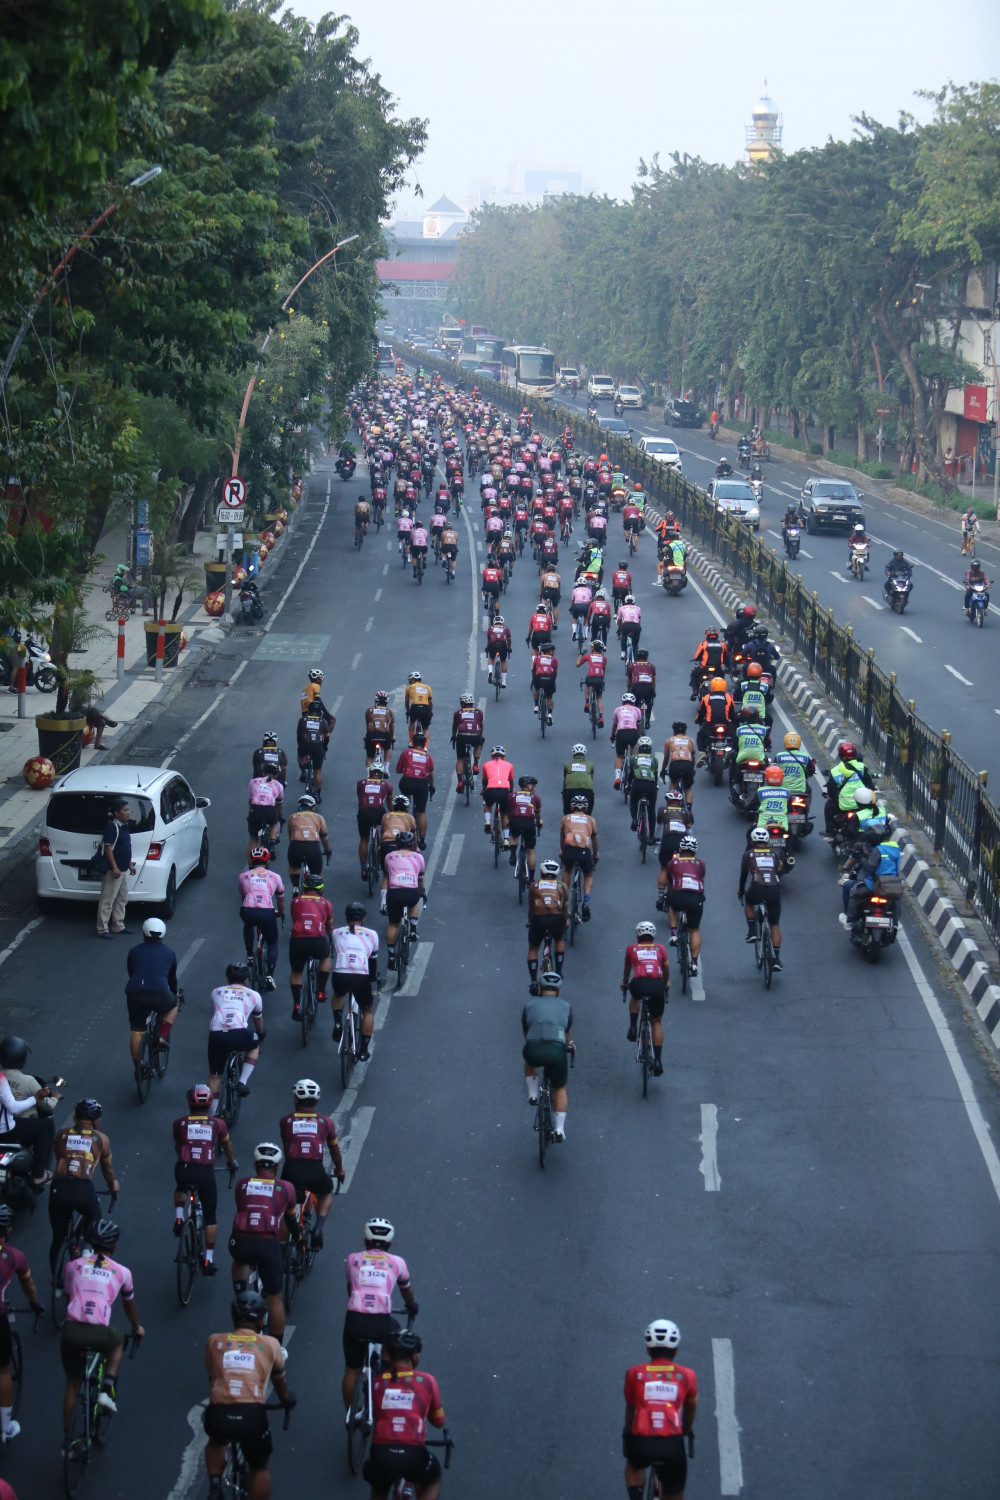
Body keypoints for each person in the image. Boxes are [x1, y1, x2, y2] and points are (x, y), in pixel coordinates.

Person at [203, 1290, 293, 1500]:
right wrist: (286, 1399)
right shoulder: (270, 1344)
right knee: (260, 1467)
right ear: (262, 1321)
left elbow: (213, 1376)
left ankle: (215, 1485)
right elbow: (280, 1381)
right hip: (252, 1416)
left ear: (232, 1317)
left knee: (216, 1441)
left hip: (219, 1412)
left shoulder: (214, 1341)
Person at [61, 1219, 143, 1436]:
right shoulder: (122, 1272)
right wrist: (137, 1328)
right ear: (113, 1246)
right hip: (99, 1331)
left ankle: (67, 1439)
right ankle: (106, 1389)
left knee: (72, 1383)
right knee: (118, 1341)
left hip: (71, 1330)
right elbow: (129, 1306)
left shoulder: (72, 1266)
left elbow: (69, 1295)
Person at [342, 1216, 418, 1410]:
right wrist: (411, 1305)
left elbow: (351, 1288)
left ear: (365, 1241)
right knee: (395, 1334)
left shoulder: (352, 1259)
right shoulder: (397, 1262)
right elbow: (406, 1291)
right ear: (390, 1244)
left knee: (352, 1370)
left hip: (355, 1319)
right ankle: (385, 1373)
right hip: (381, 1322)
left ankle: (350, 1414)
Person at [365, 1328, 446, 1500]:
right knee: (433, 1478)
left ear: (387, 1356)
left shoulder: (377, 1383)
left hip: (381, 1454)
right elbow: (439, 1421)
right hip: (414, 1455)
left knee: (379, 1488)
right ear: (415, 1357)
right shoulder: (427, 1381)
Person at [229, 1143, 298, 1343]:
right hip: (267, 1244)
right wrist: (299, 1236)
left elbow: (244, 1208)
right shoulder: (286, 1188)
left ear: (255, 1165)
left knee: (240, 1260)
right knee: (275, 1299)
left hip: (240, 1241)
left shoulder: (242, 1184)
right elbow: (290, 1220)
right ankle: (277, 1347)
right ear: (277, 1167)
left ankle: (241, 1294)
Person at [623, 1319, 697, 1500]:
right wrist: (686, 1429)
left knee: (634, 1466)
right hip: (672, 1445)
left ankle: (636, 1495)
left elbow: (630, 1409)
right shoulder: (688, 1375)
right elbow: (690, 1410)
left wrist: (628, 1431)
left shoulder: (634, 1373)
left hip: (641, 1442)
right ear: (675, 1350)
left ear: (648, 1349)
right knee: (675, 1492)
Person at [49, 1098, 118, 1275]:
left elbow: (59, 1156)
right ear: (96, 1121)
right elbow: (107, 1168)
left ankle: (56, 1281)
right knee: (94, 1218)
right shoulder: (102, 1139)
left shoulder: (62, 1134)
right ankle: (87, 1253)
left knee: (58, 1238)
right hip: (82, 1188)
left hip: (59, 1187)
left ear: (75, 1118)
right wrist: (112, 1185)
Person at [173, 1084, 235, 1275]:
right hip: (205, 1172)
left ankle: (179, 1218)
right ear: (209, 1104)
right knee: (210, 1216)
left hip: (185, 1169)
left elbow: (178, 1145)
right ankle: (208, 1259)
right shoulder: (218, 1124)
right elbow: (226, 1145)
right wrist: (231, 1162)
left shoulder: (179, 1123)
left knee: (181, 1186)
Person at [278, 1080, 344, 1248]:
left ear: (296, 1099)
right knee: (326, 1191)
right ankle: (318, 1229)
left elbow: (287, 1146)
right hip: (315, 1170)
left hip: (292, 1169)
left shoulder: (285, 1121)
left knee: (286, 1211)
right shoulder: (326, 1122)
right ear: (316, 1102)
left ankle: (283, 1248)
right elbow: (334, 1150)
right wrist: (339, 1169)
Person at [0, 1204, 43, 1442]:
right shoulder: (14, 1256)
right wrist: (35, 1304)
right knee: (3, 1370)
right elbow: (29, 1285)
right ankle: (6, 1427)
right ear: (6, 1230)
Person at [521, 972, 574, 1141]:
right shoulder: (566, 1007)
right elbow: (566, 1032)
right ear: (558, 991)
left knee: (530, 1061)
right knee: (559, 1088)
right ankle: (559, 1129)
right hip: (556, 1050)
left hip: (534, 1047)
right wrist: (569, 1045)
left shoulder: (529, 1005)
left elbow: (526, 1029)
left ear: (540, 989)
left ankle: (533, 1094)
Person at [0, 1037, 57, 1189]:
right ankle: (38, 1174)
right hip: (8, 1128)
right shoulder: (28, 1081)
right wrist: (37, 1098)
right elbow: (14, 1107)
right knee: (46, 1126)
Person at [207, 963, 264, 1110]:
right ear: (246, 980)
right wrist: (260, 1032)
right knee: (255, 1044)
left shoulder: (216, 992)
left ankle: (213, 1115)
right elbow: (258, 1019)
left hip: (217, 1034)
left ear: (227, 979)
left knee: (215, 1076)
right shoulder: (254, 995)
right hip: (239, 1033)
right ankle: (242, 1082)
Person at [125, 917, 180, 1066]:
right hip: (160, 993)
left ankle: (138, 1068)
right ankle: (161, 1035)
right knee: (173, 1006)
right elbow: (172, 978)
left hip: (135, 992)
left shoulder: (134, 951)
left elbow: (132, 972)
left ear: (144, 932)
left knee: (137, 1031)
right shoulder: (169, 952)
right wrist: (174, 994)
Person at [331, 902, 380, 1058]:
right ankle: (363, 1050)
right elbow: (373, 960)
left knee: (339, 994)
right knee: (368, 1011)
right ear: (363, 919)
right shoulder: (372, 935)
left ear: (346, 918)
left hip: (341, 973)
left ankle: (337, 1022)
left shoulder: (336, 932)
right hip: (360, 975)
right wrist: (372, 978)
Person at [288, 871, 333, 1021]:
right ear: (321, 889)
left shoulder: (295, 901)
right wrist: (331, 938)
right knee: (326, 955)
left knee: (296, 971)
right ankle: (321, 990)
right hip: (317, 940)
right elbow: (328, 925)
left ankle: (296, 1004)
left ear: (304, 887)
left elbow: (295, 919)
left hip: (298, 940)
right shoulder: (326, 904)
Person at [237, 848, 284, 989]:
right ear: (268, 861)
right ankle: (269, 975)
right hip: (267, 911)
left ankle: (250, 955)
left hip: (248, 910)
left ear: (251, 861)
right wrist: (280, 912)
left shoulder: (243, 876)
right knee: (273, 941)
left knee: (248, 924)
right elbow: (280, 899)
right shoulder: (275, 877)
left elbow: (243, 895)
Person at [739, 826, 783, 968]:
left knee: (749, 901)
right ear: (767, 841)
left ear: (752, 841)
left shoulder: (748, 854)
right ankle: (776, 959)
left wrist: (741, 891)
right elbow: (778, 871)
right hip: (774, 890)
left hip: (757, 888)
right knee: (774, 924)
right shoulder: (774, 854)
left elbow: (743, 875)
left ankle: (752, 931)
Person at [663, 835, 705, 974]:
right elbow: (701, 880)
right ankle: (694, 963)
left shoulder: (672, 862)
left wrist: (669, 895)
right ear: (695, 851)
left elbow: (670, 882)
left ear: (680, 849)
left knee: (672, 905)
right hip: (696, 897)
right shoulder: (701, 863)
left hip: (678, 894)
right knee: (694, 930)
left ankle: (674, 933)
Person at [384, 830, 425, 967]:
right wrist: (422, 892)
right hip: (411, 891)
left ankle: (391, 955)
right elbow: (420, 879)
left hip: (395, 892)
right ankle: (413, 929)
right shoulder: (419, 857)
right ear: (412, 844)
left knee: (393, 924)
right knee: (415, 901)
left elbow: (388, 874)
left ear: (397, 844)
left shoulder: (389, 856)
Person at [96, 797, 135, 939]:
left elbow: (126, 848)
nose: (128, 813)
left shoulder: (125, 827)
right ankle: (102, 929)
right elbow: (108, 849)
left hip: (123, 870)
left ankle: (118, 925)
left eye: (128, 810)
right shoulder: (112, 827)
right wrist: (115, 868)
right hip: (114, 871)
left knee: (122, 899)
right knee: (107, 900)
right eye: (125, 810)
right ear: (117, 813)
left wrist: (129, 865)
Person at [560, 794, 599, 919]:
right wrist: (595, 854)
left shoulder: (566, 818)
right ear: (586, 808)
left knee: (567, 870)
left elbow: (562, 838)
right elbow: (595, 839)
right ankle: (586, 902)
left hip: (570, 850)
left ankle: (563, 898)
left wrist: (563, 851)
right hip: (584, 852)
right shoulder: (591, 820)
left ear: (572, 807)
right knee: (588, 875)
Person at [396, 730, 435, 851]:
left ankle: (405, 816)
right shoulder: (428, 757)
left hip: (407, 782)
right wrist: (432, 787)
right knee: (421, 812)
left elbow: (398, 770)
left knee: (404, 805)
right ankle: (422, 839)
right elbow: (430, 775)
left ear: (413, 743)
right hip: (421, 783)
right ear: (424, 744)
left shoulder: (406, 752)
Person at [451, 693, 484, 795]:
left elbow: (455, 726)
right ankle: (475, 765)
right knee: (478, 745)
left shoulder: (458, 713)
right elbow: (480, 725)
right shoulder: (479, 712)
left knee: (460, 758)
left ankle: (460, 782)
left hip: (462, 736)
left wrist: (454, 736)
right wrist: (480, 737)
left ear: (462, 703)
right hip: (475, 735)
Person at [481, 744, 514, 843]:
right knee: (505, 813)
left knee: (488, 805)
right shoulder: (509, 765)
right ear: (503, 756)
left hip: (491, 790)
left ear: (492, 756)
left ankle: (487, 820)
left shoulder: (485, 765)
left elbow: (485, 781)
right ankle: (506, 839)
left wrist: (484, 790)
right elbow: (510, 781)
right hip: (504, 791)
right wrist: (510, 792)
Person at [611, 693, 643, 788]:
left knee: (619, 756)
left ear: (622, 702)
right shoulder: (637, 710)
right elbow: (639, 725)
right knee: (634, 754)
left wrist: (612, 735)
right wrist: (639, 735)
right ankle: (632, 772)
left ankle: (617, 778)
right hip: (633, 732)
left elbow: (615, 725)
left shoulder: (617, 710)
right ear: (634, 703)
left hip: (621, 732)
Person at [662, 722, 697, 811]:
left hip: (675, 764)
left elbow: (666, 757)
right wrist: (692, 768)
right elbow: (693, 757)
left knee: (673, 783)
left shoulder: (669, 740)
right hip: (688, 764)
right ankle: (689, 809)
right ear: (685, 731)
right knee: (687, 788)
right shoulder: (691, 740)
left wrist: (663, 769)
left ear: (674, 731)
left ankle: (671, 806)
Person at [247, 765, 282, 849]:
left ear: (263, 773)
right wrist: (279, 816)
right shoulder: (278, 785)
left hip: (255, 809)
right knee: (274, 823)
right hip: (269, 809)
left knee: (254, 839)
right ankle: (272, 842)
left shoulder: (253, 781)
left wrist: (251, 813)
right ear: (276, 775)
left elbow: (250, 800)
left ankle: (251, 857)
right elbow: (279, 803)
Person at [689, 629, 728, 700]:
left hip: (704, 669)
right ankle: (722, 692)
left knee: (694, 674)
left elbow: (697, 656)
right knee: (721, 677)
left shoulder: (703, 644)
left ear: (706, 635)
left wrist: (698, 659)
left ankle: (695, 691)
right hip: (717, 669)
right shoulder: (722, 644)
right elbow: (726, 656)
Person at [577, 637, 607, 727]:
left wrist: (582, 653)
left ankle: (587, 702)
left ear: (594, 648)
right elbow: (603, 670)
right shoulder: (604, 658)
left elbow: (577, 664)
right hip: (599, 679)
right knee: (599, 698)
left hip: (590, 678)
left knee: (587, 684)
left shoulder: (588, 656)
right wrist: (602, 679)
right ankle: (601, 717)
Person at [364, 691, 396, 768]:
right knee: (388, 748)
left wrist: (367, 736)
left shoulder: (369, 710)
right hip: (385, 735)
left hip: (371, 735)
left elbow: (368, 724)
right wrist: (392, 737)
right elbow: (391, 727)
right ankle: (386, 768)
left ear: (376, 700)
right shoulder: (390, 712)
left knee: (369, 757)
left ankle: (368, 773)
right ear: (386, 702)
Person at [404, 672, 433, 746]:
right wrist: (430, 711)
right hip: (425, 708)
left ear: (413, 680)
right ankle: (425, 747)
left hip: (415, 707)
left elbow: (407, 702)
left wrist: (408, 711)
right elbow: (430, 702)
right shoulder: (428, 687)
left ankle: (411, 741)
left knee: (412, 722)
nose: (409, 682)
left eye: (410, 680)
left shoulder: (409, 687)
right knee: (426, 728)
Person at [485, 612, 512, 689]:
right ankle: (503, 681)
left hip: (493, 645)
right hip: (502, 645)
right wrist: (509, 648)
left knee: (491, 658)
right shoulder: (506, 628)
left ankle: (490, 672)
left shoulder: (490, 628)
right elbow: (509, 640)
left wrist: (487, 647)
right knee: (503, 661)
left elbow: (489, 640)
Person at [616, 594, 642, 660]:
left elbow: (619, 620)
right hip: (636, 626)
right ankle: (636, 657)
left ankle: (623, 652)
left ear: (625, 601)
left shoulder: (622, 608)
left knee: (624, 636)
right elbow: (639, 620)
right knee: (635, 644)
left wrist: (619, 629)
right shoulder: (638, 608)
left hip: (626, 625)